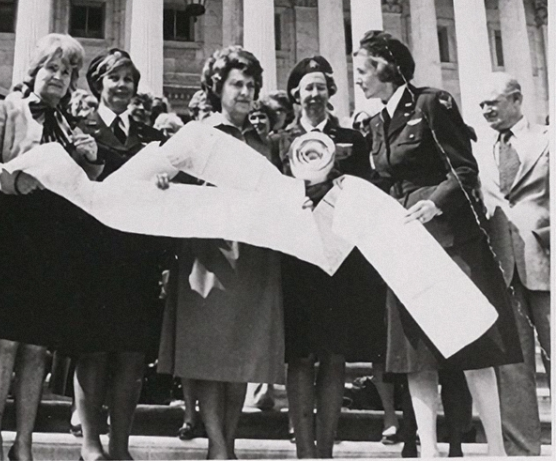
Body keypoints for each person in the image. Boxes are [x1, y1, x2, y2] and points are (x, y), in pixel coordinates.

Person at [353, 29, 522, 457]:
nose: (357, 79)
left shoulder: (431, 103)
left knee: (475, 347)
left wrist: (433, 204)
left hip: (450, 242)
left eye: (362, 70)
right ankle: (428, 450)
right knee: (417, 354)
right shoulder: (374, 122)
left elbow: (463, 170)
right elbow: (382, 182)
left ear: (387, 68)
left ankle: (497, 449)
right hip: (405, 246)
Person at [0, 33, 100, 461]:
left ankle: (25, 443)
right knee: (3, 342)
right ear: (34, 71)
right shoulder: (8, 109)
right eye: (51, 68)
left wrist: (90, 157)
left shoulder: (70, 122)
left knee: (37, 347)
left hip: (52, 240)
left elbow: (78, 185)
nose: (58, 76)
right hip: (8, 234)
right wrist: (12, 178)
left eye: (67, 71)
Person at [158, 46, 285, 460]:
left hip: (254, 257)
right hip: (207, 254)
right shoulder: (198, 134)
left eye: (251, 85)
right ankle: (217, 445)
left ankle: (226, 442)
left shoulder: (264, 142)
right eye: (237, 84)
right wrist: (163, 181)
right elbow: (164, 177)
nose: (246, 92)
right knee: (210, 355)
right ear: (218, 87)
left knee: (241, 355)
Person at [269, 55, 382, 458]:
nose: (314, 94)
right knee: (300, 357)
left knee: (334, 356)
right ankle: (304, 451)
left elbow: (370, 189)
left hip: (340, 258)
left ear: (330, 92)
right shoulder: (277, 141)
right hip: (298, 257)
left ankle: (326, 450)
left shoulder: (353, 137)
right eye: (307, 87)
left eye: (321, 86)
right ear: (295, 95)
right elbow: (269, 197)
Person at [68, 48, 167, 461]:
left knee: (131, 352)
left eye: (129, 78)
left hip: (137, 254)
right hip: (95, 252)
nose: (123, 86)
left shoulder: (149, 137)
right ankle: (91, 442)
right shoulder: (80, 129)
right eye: (114, 78)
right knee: (93, 349)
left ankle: (121, 445)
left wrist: (163, 181)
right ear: (99, 84)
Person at [474, 72, 550, 456]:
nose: (485, 109)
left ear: (517, 100)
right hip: (500, 265)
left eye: (493, 102)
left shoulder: (547, 139)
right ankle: (523, 452)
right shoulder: (479, 150)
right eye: (482, 104)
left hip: (546, 259)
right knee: (512, 364)